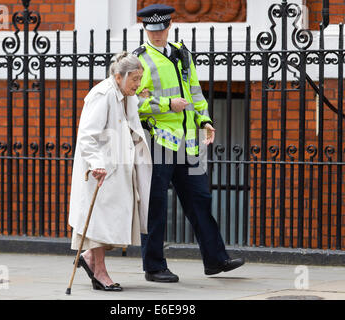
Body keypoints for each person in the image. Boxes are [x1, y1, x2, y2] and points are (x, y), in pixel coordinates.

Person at [134, 4, 245, 283]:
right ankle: (154, 266)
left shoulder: (183, 54)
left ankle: (216, 260)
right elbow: (133, 102)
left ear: (168, 27)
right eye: (151, 30)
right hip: (160, 142)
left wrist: (204, 120)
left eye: (161, 30)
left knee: (201, 201)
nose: (157, 35)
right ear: (145, 30)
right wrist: (165, 104)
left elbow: (195, 93)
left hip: (189, 144)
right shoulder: (139, 60)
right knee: (156, 206)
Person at [68, 52, 152, 291]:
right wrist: (96, 163)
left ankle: (89, 258)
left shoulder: (127, 96)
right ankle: (100, 273)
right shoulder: (102, 95)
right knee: (99, 221)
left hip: (120, 166)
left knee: (116, 219)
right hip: (101, 169)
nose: (138, 84)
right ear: (118, 76)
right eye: (134, 79)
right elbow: (87, 134)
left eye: (139, 78)